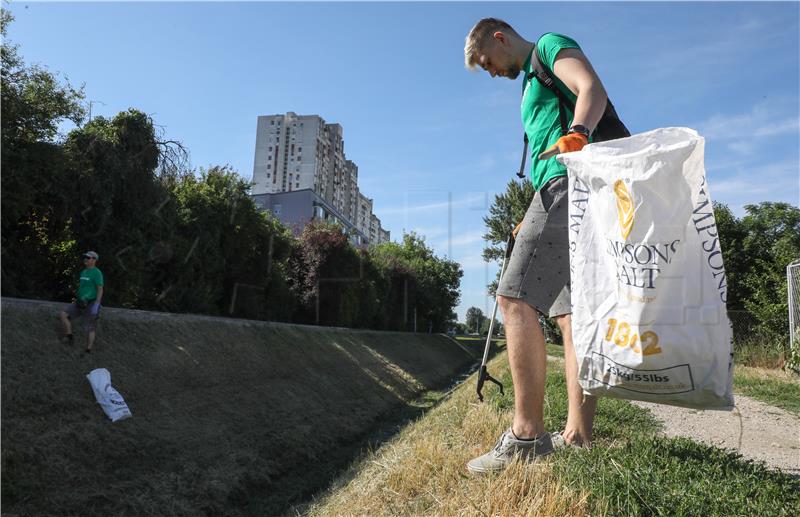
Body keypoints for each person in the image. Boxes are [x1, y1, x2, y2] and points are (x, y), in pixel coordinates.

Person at [464, 18, 609, 473]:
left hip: (570, 181)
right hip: (560, 189)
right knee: (570, 315)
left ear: (499, 38)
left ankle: (526, 436)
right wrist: (530, 213)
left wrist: (579, 133)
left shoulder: (549, 47)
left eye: (487, 62)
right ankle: (579, 436)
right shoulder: (530, 83)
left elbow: (591, 89)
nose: (490, 72)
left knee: (513, 298)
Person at [59, 251, 104, 353]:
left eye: (88, 258)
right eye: (85, 257)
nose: (85, 259)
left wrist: (96, 305)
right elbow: (83, 287)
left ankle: (88, 350)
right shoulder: (83, 272)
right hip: (80, 301)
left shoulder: (97, 273)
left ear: (94, 260)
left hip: (91, 303)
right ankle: (69, 336)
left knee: (89, 327)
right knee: (63, 315)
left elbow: (100, 289)